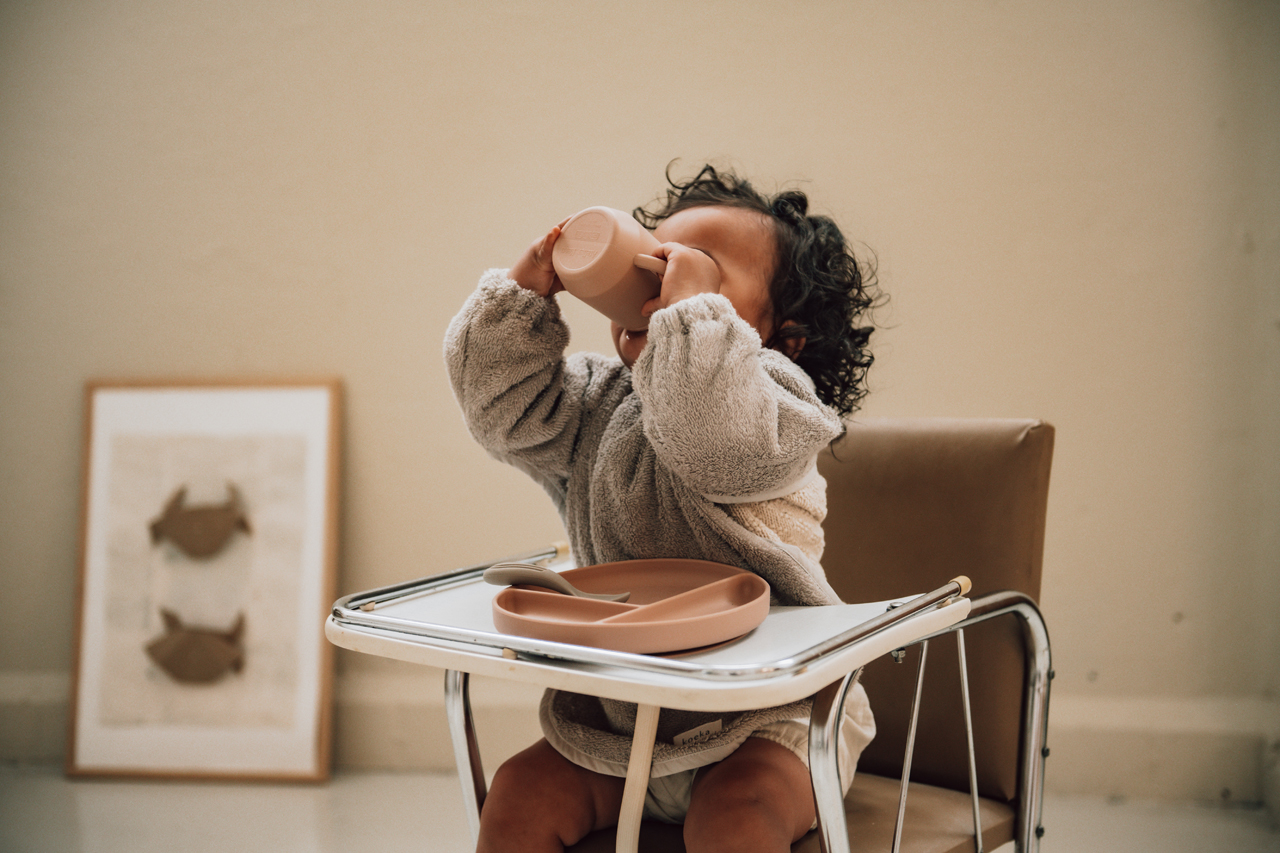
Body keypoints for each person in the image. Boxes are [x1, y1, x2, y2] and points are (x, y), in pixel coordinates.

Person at [444, 164, 881, 853]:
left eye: (692, 269)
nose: (659, 280)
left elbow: (710, 436)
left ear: (784, 335)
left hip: (774, 714)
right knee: (519, 794)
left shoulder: (777, 401)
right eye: (652, 258)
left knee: (737, 815)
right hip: (630, 717)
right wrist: (520, 303)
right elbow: (504, 415)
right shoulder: (602, 402)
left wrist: (687, 318)